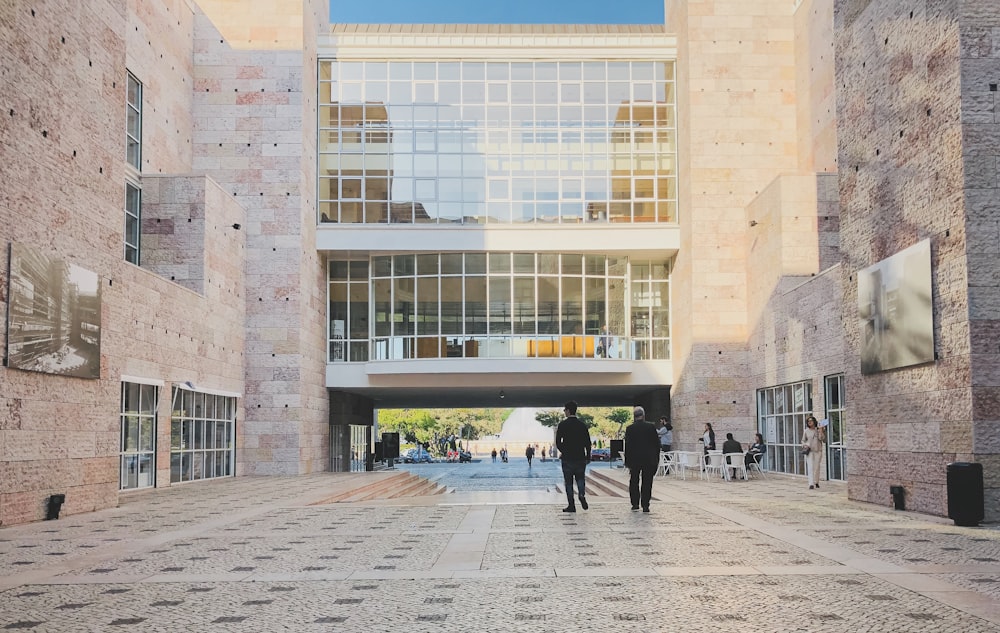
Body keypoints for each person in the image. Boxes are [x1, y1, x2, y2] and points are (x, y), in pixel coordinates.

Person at [555, 400, 592, 513]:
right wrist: (588, 455)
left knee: (569, 482)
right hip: (580, 457)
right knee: (580, 479)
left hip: (567, 458)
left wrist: (564, 450)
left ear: (568, 410)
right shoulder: (582, 425)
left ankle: (571, 505)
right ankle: (581, 494)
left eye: (565, 410)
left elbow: (558, 441)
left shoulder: (563, 425)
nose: (564, 412)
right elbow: (588, 442)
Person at [624, 406, 660, 512]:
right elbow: (656, 444)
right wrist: (656, 459)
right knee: (647, 482)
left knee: (634, 481)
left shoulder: (630, 428)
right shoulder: (651, 427)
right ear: (643, 415)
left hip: (635, 460)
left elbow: (628, 446)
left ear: (634, 417)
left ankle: (635, 503)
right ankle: (645, 505)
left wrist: (627, 461)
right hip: (649, 459)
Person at [802, 415, 825, 489]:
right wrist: (804, 445)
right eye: (808, 421)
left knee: (817, 467)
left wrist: (821, 431)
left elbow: (822, 439)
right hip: (810, 451)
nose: (809, 422)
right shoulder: (806, 431)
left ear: (814, 422)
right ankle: (811, 484)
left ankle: (816, 482)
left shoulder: (818, 430)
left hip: (818, 451)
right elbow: (803, 440)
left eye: (811, 421)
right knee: (810, 467)